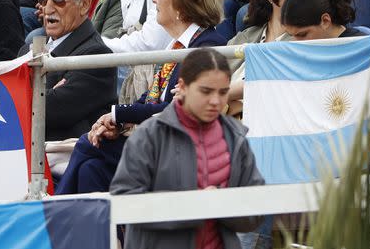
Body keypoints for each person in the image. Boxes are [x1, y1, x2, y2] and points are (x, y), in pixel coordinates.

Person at [57, 0, 227, 194]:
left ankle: (50, 220)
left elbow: (175, 109)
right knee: (92, 170)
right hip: (159, 141)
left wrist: (119, 114)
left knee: (89, 144)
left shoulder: (207, 47)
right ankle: (92, 229)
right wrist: (117, 119)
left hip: (181, 150)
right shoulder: (180, 45)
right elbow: (153, 96)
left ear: (182, 1)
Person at [110, 48, 265, 249]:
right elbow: (124, 203)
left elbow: (257, 209)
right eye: (206, 91)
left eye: (223, 92)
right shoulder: (149, 136)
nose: (216, 101)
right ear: (182, 87)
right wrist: (192, 206)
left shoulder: (236, 138)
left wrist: (225, 205)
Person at [35, 0, 117, 140]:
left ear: (85, 4)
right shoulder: (28, 49)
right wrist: (48, 92)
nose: (48, 9)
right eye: (43, 0)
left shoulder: (96, 55)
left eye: (58, 0)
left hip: (63, 159)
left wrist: (40, 94)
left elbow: (51, 110)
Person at [226, 0, 309, 114]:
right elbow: (214, 75)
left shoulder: (305, 41)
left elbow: (274, 88)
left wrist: (219, 95)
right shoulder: (246, 36)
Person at [281, 0, 363, 39]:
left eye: (303, 35)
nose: (296, 43)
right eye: (291, 36)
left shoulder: (362, 48)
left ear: (325, 21)